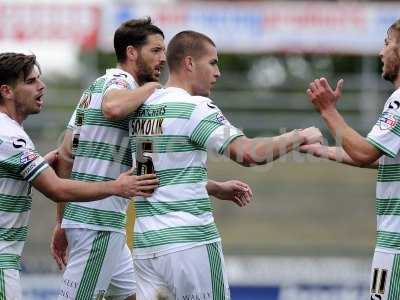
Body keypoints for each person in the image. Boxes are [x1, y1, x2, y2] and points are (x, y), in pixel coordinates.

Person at [51, 18, 252, 300]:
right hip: (98, 221)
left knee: (131, 295)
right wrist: (151, 88)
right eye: (156, 51)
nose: (162, 59)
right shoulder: (120, 82)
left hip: (96, 221)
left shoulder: (94, 87)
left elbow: (65, 155)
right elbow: (112, 108)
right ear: (132, 53)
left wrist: (62, 222)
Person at [122, 30, 323, 300]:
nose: (218, 73)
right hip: (190, 242)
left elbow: (156, 175)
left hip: (147, 245)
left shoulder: (143, 107)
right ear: (190, 63)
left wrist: (212, 186)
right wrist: (299, 136)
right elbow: (248, 154)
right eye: (213, 63)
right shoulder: (196, 107)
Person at [0, 52, 154, 299]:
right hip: (6, 260)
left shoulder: (11, 134)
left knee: (133, 293)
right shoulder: (10, 137)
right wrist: (117, 186)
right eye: (31, 82)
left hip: (104, 225)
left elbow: (60, 159)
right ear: (6, 91)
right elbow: (57, 189)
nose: (42, 86)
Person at [301, 18, 400, 300]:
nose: (381, 53)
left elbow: (366, 151)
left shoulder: (399, 100)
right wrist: (325, 150)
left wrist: (328, 110)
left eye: (387, 43)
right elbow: (384, 158)